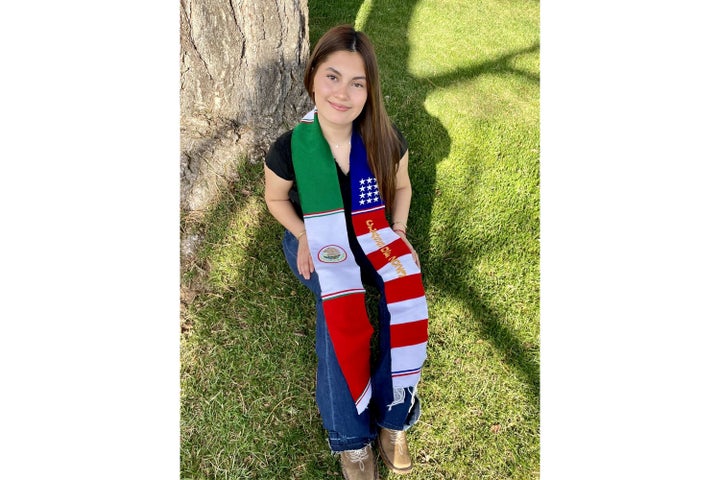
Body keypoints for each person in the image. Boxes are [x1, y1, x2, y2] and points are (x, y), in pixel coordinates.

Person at [264, 24, 429, 480]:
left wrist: (397, 229)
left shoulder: (382, 136)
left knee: (405, 289)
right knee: (338, 303)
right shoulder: (291, 147)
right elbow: (275, 200)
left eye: (357, 83)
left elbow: (402, 185)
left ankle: (393, 417)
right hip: (319, 238)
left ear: (369, 90)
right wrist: (301, 234)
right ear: (313, 75)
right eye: (332, 76)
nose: (343, 93)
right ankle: (351, 441)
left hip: (372, 231)